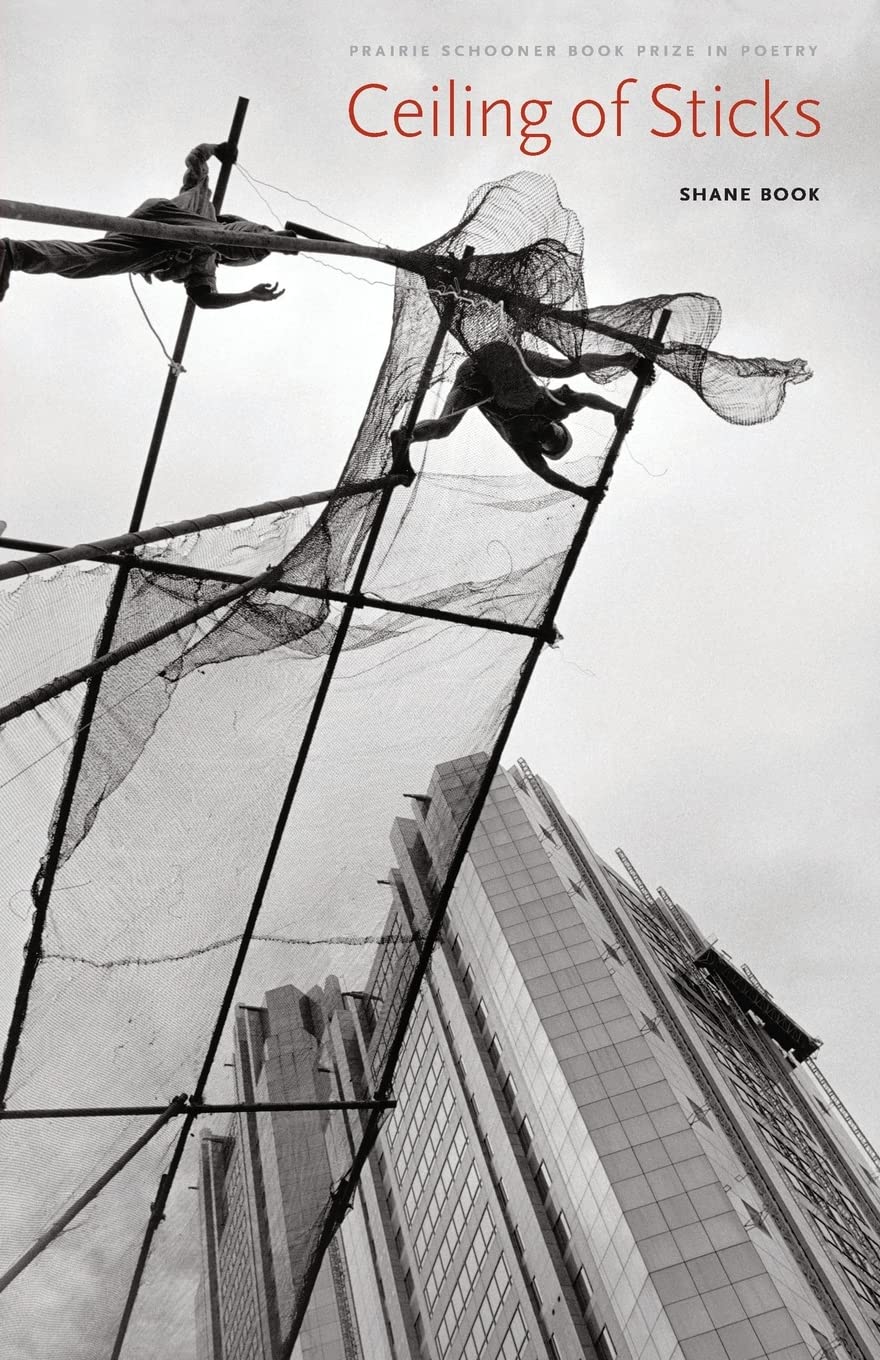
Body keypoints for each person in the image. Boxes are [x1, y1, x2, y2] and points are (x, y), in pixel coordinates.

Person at [0, 142, 288, 308]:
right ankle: (269, 241)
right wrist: (218, 148)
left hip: (148, 250)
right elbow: (197, 157)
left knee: (89, 261)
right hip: (163, 218)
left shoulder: (207, 264)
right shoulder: (202, 202)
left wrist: (248, 296)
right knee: (217, 237)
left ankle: (12, 254)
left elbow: (204, 299)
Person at [391, 338, 650, 497]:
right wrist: (617, 411)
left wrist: (581, 491)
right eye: (554, 433)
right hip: (509, 359)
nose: (546, 433)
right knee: (566, 368)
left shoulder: (523, 443)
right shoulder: (555, 407)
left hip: (477, 379)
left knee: (446, 426)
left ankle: (406, 436)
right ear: (557, 425)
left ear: (540, 446)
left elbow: (547, 474)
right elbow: (586, 399)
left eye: (547, 441)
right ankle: (627, 360)